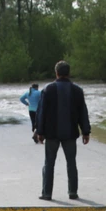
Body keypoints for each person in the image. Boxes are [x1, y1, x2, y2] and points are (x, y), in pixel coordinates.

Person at [35, 60, 91, 200]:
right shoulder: (77, 90)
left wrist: (39, 131)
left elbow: (41, 112)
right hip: (70, 133)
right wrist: (86, 131)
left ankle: (47, 193)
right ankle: (73, 192)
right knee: (71, 163)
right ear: (69, 73)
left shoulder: (48, 89)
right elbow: (83, 112)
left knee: (49, 163)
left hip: (52, 134)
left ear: (56, 73)